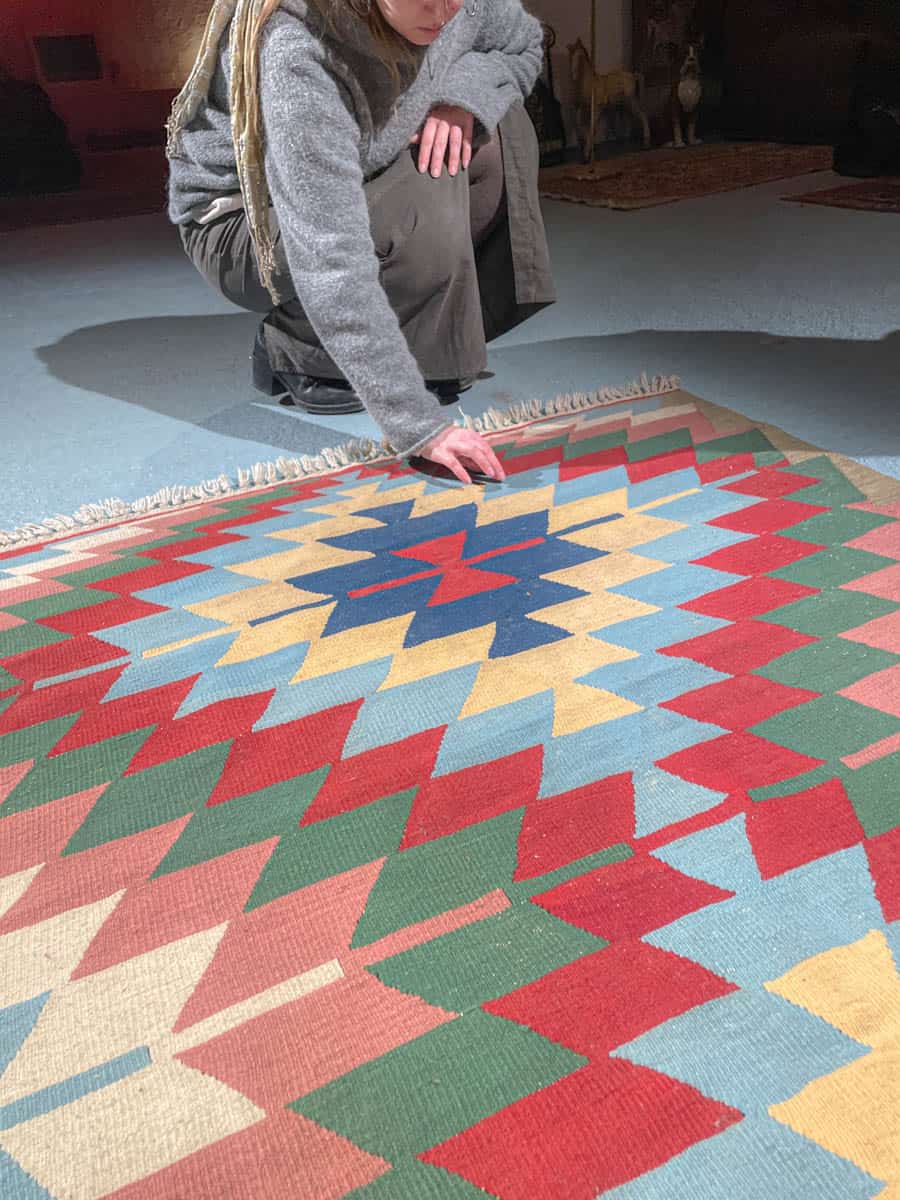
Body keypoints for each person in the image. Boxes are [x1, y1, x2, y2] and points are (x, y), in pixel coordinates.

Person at [166, 0, 556, 484]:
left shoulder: (462, 6)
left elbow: (523, 41)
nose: (441, 13)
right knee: (422, 189)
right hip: (246, 227)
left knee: (494, 126)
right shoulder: (300, 47)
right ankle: (300, 346)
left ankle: (427, 345)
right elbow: (330, 256)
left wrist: (460, 101)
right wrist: (418, 426)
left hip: (362, 165)